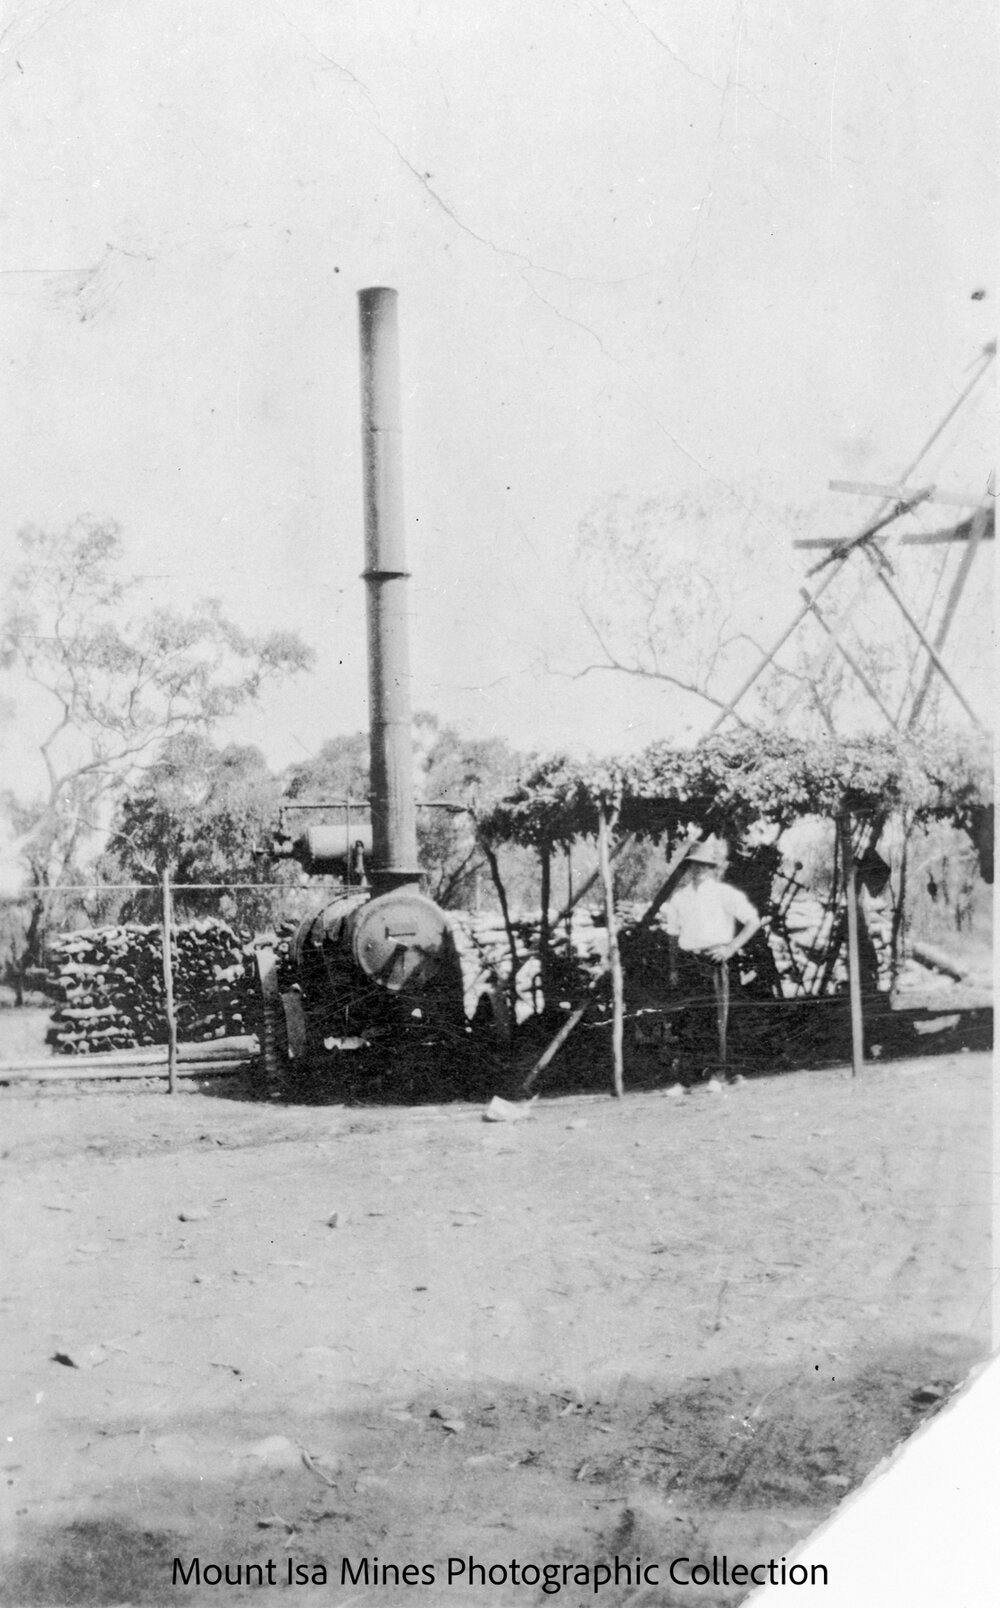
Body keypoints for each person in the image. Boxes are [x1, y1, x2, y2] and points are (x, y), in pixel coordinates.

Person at [663, 839, 762, 1079]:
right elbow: (673, 935)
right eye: (694, 864)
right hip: (689, 962)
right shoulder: (679, 898)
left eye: (704, 865)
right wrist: (674, 967)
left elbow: (753, 921)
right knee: (689, 1019)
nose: (699, 869)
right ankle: (687, 1079)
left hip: (714, 960)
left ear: (711, 868)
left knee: (719, 1019)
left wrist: (730, 948)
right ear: (689, 867)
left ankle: (721, 1074)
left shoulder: (723, 893)